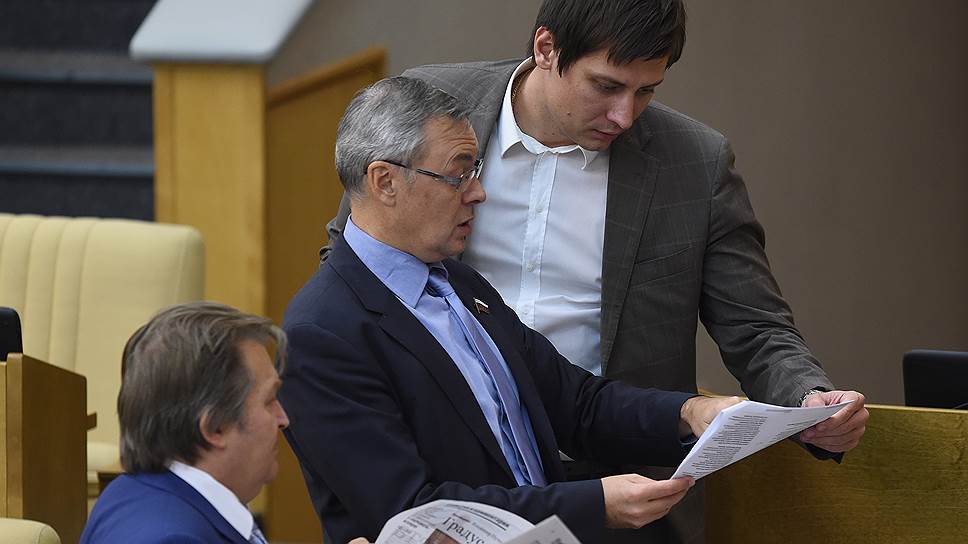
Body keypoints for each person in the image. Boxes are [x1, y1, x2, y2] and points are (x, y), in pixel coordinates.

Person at [323, 1, 869, 541]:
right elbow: (359, 262)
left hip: (628, 477)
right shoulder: (434, 113)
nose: (624, 116)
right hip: (459, 477)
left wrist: (806, 400)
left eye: (646, 91)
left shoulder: (693, 164)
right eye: (606, 87)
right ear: (546, 48)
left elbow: (755, 325)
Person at [280, 76, 739, 544]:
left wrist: (690, 412)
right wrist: (593, 504)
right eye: (458, 174)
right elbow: (413, 513)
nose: (478, 192)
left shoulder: (460, 282)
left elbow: (576, 403)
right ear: (385, 181)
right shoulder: (321, 333)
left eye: (475, 170)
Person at [81, 302, 290, 543]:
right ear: (215, 427)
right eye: (269, 400)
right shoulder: (171, 538)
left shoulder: (131, 492)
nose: (283, 419)